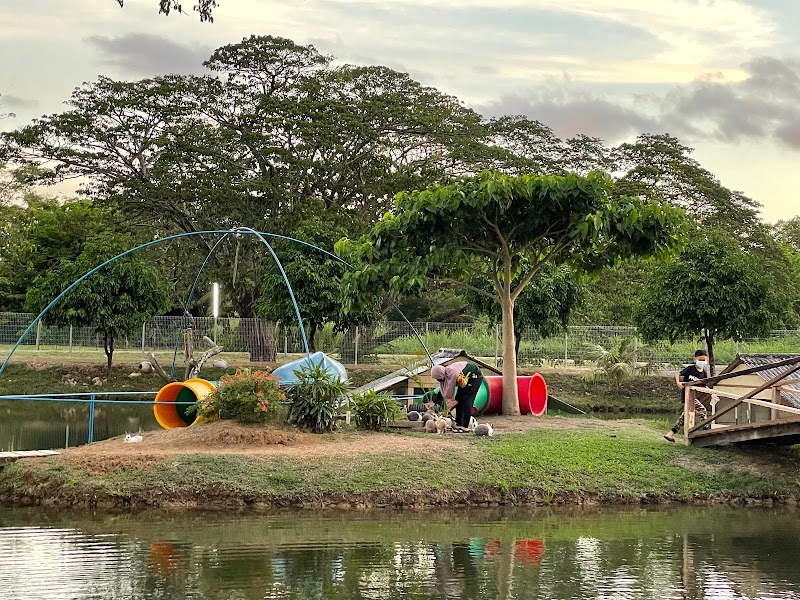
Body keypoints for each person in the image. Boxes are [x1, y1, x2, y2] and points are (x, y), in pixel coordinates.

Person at [664, 349, 711, 442]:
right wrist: (678, 382)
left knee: (685, 416)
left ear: (707, 360)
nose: (702, 362)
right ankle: (705, 429)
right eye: (700, 360)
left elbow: (705, 386)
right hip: (687, 395)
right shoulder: (690, 369)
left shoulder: (704, 373)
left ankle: (670, 433)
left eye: (703, 360)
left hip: (694, 397)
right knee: (702, 410)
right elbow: (678, 373)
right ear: (695, 359)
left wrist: (712, 393)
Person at [428, 362, 484, 432]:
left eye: (438, 378)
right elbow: (442, 390)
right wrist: (434, 402)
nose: (438, 380)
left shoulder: (455, 375)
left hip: (474, 377)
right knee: (459, 397)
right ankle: (458, 423)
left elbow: (466, 388)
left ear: (441, 375)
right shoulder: (446, 375)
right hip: (464, 381)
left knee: (467, 399)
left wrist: (457, 400)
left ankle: (465, 426)